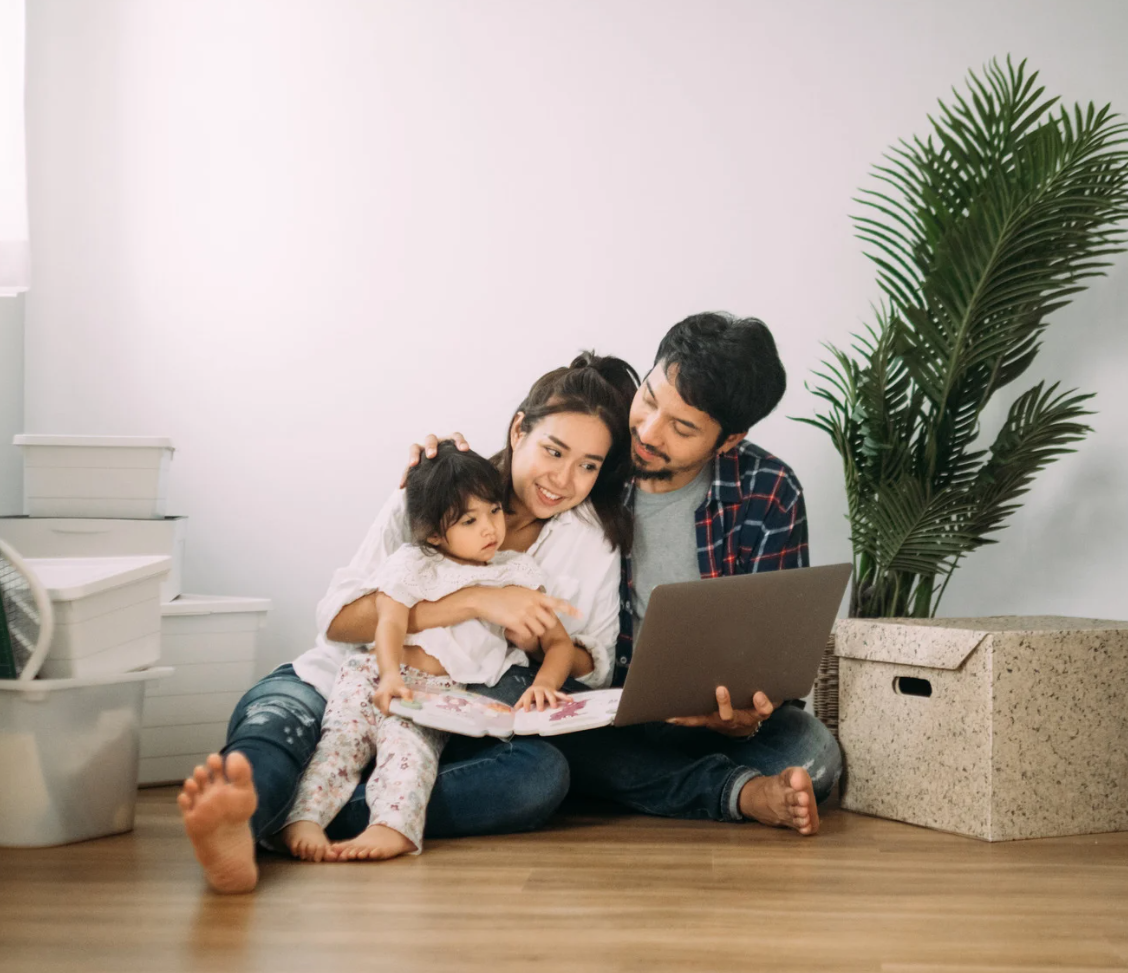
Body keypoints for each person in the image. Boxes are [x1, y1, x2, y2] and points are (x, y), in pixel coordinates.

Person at [178, 353, 638, 893]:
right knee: (277, 730)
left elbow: (594, 662)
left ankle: (304, 819)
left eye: (588, 465)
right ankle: (245, 818)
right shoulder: (431, 490)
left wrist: (535, 646)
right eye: (553, 451)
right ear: (519, 430)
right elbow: (341, 621)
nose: (564, 478)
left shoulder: (587, 540)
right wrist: (475, 603)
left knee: (539, 777)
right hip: (348, 678)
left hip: (444, 713)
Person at [418, 312, 843, 837]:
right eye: (649, 397)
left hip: (703, 717)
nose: (646, 431)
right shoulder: (592, 459)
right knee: (539, 709)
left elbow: (777, 656)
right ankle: (731, 792)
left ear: (728, 440)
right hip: (592, 704)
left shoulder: (768, 490)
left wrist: (743, 717)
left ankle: (620, 779)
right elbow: (509, 481)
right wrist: (434, 469)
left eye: (682, 428)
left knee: (814, 753)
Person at [279, 445, 576, 863]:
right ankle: (303, 819)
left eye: (494, 511)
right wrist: (387, 674)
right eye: (470, 521)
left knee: (410, 754)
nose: (490, 528)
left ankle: (390, 828)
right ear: (436, 532)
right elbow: (390, 621)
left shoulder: (516, 573)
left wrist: (545, 684)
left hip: (435, 694)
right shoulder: (414, 562)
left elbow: (559, 643)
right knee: (341, 745)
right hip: (372, 674)